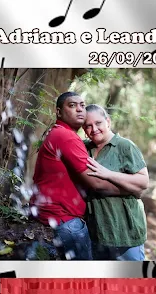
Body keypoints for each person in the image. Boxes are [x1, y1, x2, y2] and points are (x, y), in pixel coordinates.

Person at [32, 92, 131, 260]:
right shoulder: (66, 136)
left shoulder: (61, 134)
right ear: (58, 112)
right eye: (72, 105)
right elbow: (96, 183)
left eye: (82, 105)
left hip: (55, 217)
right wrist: (130, 189)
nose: (79, 109)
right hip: (65, 221)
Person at [83, 104, 149, 260]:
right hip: (97, 233)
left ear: (108, 121)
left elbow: (143, 181)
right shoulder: (84, 147)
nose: (94, 129)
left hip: (125, 232)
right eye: (88, 126)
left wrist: (108, 174)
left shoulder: (125, 146)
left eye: (98, 123)